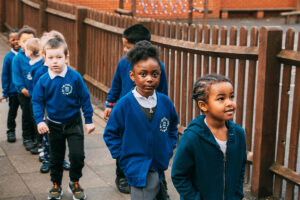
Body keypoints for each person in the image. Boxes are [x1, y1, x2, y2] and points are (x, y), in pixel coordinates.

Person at [103, 41, 178, 200]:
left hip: (159, 164)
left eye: (155, 74)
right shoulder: (124, 104)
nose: (149, 79)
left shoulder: (165, 103)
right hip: (136, 168)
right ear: (132, 75)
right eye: (143, 74)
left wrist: (168, 147)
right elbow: (110, 134)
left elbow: (172, 127)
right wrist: (123, 158)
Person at [32, 37, 95, 200]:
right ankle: (56, 185)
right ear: (44, 58)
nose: (55, 61)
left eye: (59, 57)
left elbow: (85, 98)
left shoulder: (74, 77)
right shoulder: (43, 80)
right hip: (53, 125)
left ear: (66, 58)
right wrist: (40, 120)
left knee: (77, 156)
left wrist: (88, 120)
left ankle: (74, 182)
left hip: (74, 123)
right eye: (51, 57)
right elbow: (37, 101)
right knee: (56, 158)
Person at [171, 74, 247, 200]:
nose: (230, 103)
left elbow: (241, 168)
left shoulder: (239, 134)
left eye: (231, 96)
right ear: (203, 105)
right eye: (221, 99)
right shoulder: (191, 138)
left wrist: (237, 195)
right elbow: (179, 175)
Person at [31, 31, 70, 173]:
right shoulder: (40, 71)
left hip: (62, 109)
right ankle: (47, 158)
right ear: (44, 54)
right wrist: (39, 114)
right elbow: (36, 94)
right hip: (47, 108)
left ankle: (61, 159)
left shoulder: (67, 70)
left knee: (61, 137)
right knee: (48, 136)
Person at [12, 26, 37, 151]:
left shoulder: (38, 57)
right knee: (27, 115)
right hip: (25, 94)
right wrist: (22, 89)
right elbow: (16, 76)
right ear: (19, 42)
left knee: (37, 116)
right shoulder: (17, 58)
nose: (27, 44)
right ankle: (27, 138)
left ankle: (38, 139)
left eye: (30, 41)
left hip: (37, 94)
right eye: (24, 41)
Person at [0, 29, 20, 143]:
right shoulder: (9, 57)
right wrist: (5, 92)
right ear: (9, 42)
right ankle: (11, 131)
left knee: (27, 114)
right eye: (13, 40)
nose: (16, 41)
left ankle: (29, 133)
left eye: (18, 39)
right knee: (12, 112)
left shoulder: (25, 56)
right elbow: (5, 75)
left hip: (24, 91)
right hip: (13, 91)